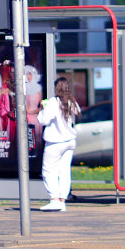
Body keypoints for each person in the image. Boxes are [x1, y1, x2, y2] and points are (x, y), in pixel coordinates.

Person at [36, 76, 80, 212]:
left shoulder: (53, 102)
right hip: (70, 141)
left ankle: (54, 199)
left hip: (55, 142)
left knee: (48, 170)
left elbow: (43, 120)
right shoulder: (72, 102)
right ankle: (62, 201)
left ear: (57, 88)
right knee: (64, 170)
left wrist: (43, 107)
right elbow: (77, 113)